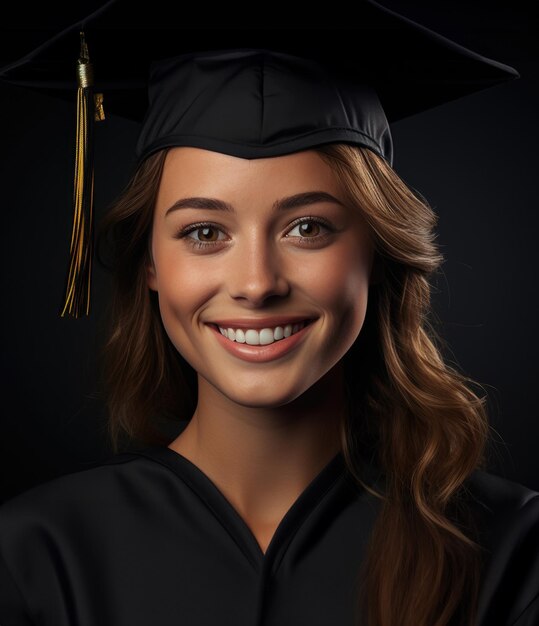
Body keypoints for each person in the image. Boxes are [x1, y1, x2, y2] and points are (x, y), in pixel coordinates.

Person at [0, 2, 538, 626]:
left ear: (378, 254)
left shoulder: (509, 554)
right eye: (204, 233)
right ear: (149, 263)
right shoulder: (37, 555)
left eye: (308, 228)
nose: (257, 284)